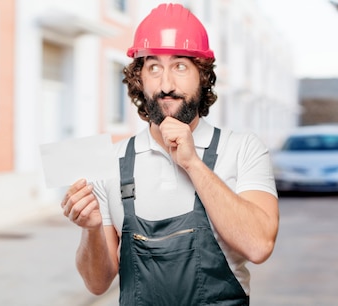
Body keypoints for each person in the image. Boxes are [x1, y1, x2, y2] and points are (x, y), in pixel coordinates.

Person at [60, 3, 279, 305]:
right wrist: (93, 229)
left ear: (202, 76)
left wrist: (192, 164)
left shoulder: (243, 148)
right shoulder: (110, 161)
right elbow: (97, 284)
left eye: (180, 66)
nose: (166, 85)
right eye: (153, 68)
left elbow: (259, 246)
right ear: (139, 79)